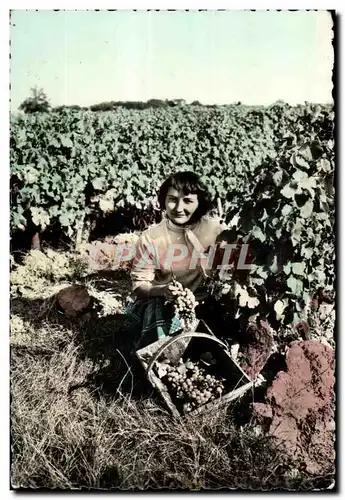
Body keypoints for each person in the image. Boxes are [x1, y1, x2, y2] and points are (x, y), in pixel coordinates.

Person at [125, 171, 229, 349]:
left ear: (199, 203)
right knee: (158, 313)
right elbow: (139, 286)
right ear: (163, 201)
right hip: (168, 303)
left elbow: (232, 272)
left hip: (208, 303)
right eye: (172, 199)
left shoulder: (217, 231)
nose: (178, 208)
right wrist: (163, 290)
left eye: (188, 201)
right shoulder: (151, 237)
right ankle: (157, 356)